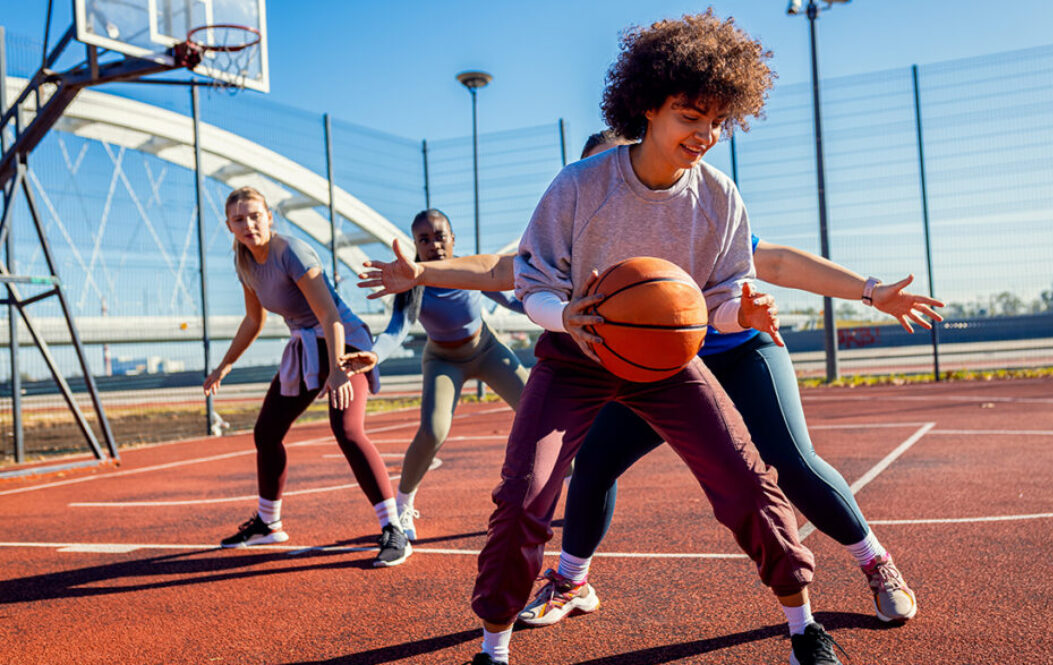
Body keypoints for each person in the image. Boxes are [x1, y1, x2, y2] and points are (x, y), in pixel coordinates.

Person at [378, 11, 845, 664]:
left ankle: (803, 629)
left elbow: (714, 304)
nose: (705, 133)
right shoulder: (579, 186)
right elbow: (530, 279)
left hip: (668, 357)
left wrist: (745, 314)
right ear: (649, 107)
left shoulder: (720, 199)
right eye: (689, 115)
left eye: (715, 119)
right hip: (575, 355)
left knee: (744, 477)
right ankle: (493, 647)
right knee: (525, 492)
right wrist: (563, 315)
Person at [362, 135, 942, 629]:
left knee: (788, 458)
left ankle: (874, 560)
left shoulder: (693, 209)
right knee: (593, 463)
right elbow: (500, 268)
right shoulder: (582, 217)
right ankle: (572, 580)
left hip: (737, 346)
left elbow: (780, 263)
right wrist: (423, 273)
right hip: (652, 366)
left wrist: (871, 291)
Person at [203, 186, 411, 568]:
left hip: (345, 345)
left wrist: (336, 371)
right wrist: (225, 365)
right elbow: (254, 320)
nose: (248, 224)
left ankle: (393, 529)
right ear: (230, 226)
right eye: (238, 219)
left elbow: (330, 316)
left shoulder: (292, 252)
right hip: (306, 348)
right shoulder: (245, 261)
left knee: (347, 429)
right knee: (266, 432)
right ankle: (268, 523)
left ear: (269, 216)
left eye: (254, 215)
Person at [391, 209, 529, 542]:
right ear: (416, 245)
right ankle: (402, 506)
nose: (434, 244)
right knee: (433, 431)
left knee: (538, 408)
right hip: (443, 360)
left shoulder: (470, 270)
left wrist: (560, 307)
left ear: (453, 239)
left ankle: (575, 482)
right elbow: (396, 330)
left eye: (440, 236)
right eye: (425, 239)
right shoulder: (411, 283)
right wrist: (373, 355)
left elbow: (513, 302)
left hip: (487, 349)